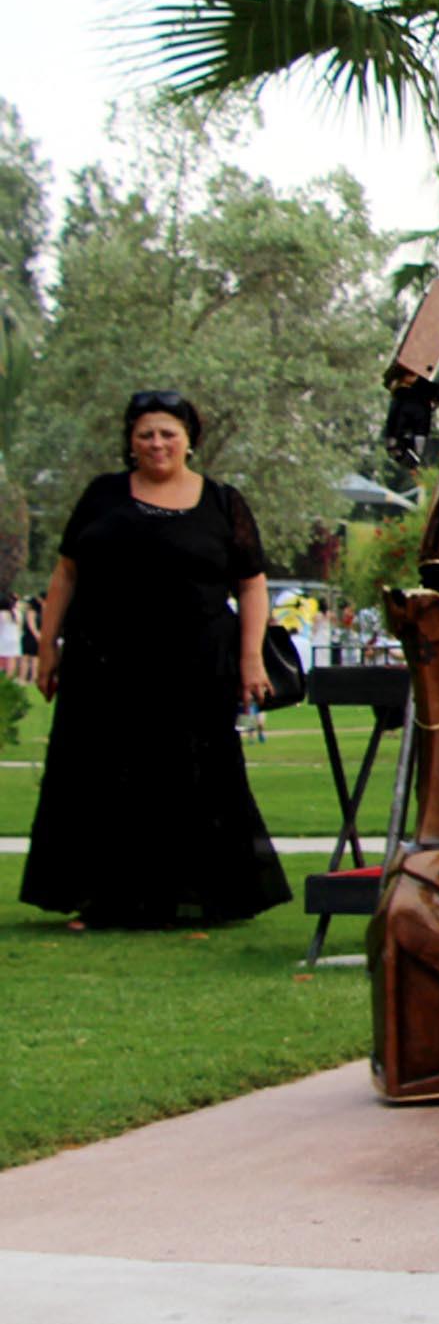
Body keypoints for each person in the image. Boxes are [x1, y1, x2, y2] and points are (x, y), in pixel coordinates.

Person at [21, 390, 291, 928]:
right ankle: (105, 900)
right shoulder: (101, 495)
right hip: (103, 665)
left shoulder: (221, 502)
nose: (157, 443)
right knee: (100, 778)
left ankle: (202, 896)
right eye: (145, 433)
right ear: (130, 441)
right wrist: (47, 648)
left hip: (194, 666)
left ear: (189, 440)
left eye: (168, 432)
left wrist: (252, 661)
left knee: (193, 777)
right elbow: (65, 574)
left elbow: (253, 585)